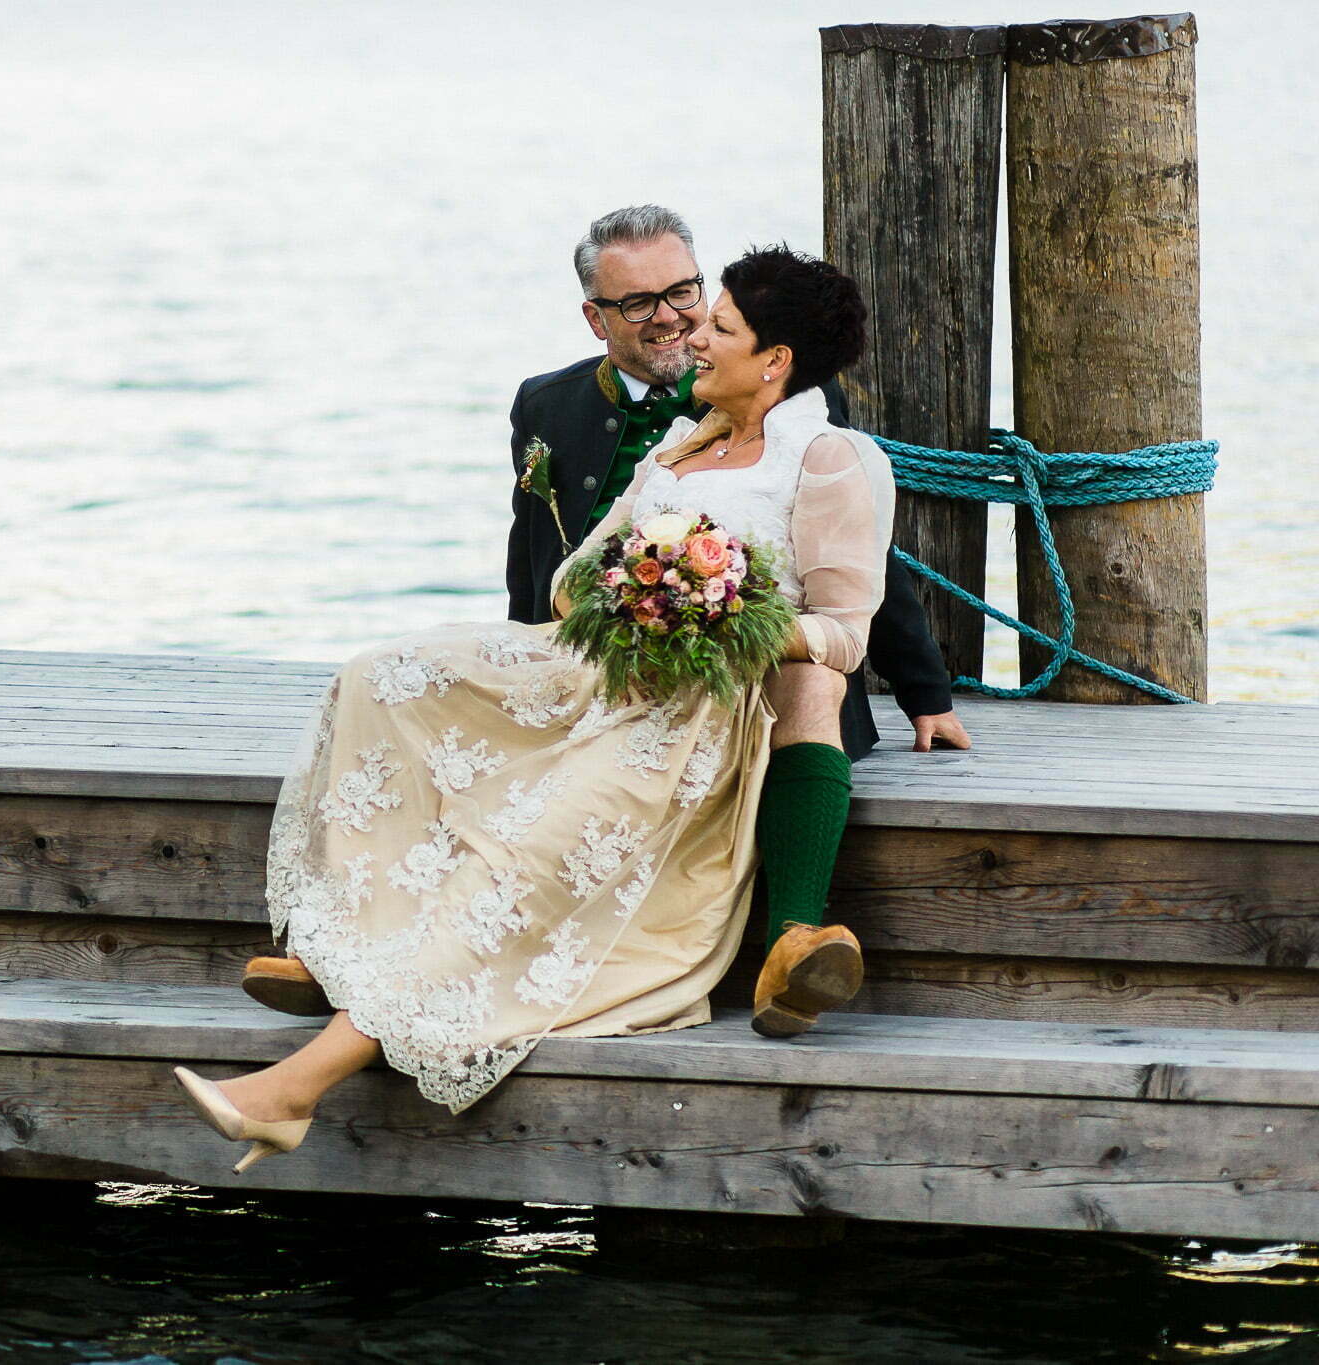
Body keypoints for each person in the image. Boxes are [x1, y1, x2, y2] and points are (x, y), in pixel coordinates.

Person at [177, 246, 897, 1174]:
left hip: (696, 711)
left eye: (720, 326)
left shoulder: (832, 458)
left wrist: (722, 617)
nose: (695, 337)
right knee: (381, 675)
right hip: (595, 668)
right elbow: (568, 580)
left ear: (777, 361)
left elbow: (843, 631)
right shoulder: (684, 441)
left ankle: (290, 1091)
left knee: (528, 849)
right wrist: (636, 592)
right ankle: (342, 938)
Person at [240, 205, 970, 1039]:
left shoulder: (800, 409)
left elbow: (860, 562)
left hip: (752, 676)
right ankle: (338, 940)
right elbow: (540, 558)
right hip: (602, 646)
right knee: (384, 676)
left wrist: (926, 693)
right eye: (640, 302)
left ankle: (792, 939)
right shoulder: (551, 406)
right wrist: (524, 671)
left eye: (688, 293)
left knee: (800, 678)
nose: (675, 318)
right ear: (597, 316)